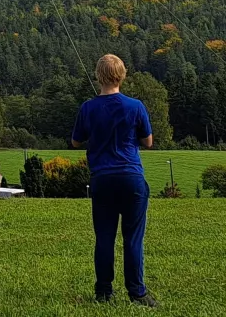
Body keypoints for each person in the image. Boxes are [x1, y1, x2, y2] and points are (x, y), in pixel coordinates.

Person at [71, 54, 157, 307]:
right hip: (131, 178)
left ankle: (104, 292)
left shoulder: (88, 107)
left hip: (102, 178)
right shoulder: (136, 106)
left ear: (98, 76)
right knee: (133, 238)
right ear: (122, 75)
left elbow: (76, 141)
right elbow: (148, 142)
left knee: (105, 237)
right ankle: (137, 293)